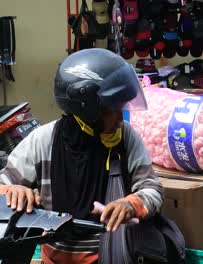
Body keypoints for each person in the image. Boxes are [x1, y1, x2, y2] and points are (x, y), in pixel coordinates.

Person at [0, 48, 164, 264]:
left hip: (112, 254)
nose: (120, 118)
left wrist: (131, 204)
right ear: (88, 110)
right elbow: (3, 186)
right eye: (112, 110)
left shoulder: (125, 138)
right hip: (56, 257)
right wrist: (14, 190)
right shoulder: (43, 140)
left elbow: (153, 190)